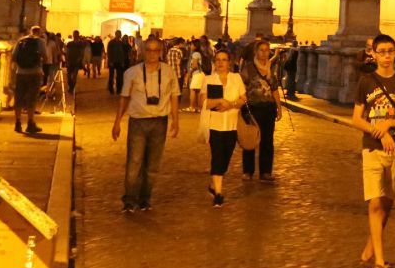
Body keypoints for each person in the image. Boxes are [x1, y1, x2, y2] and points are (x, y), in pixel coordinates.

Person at [351, 32, 395, 268]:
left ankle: (372, 244)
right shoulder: (366, 82)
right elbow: (357, 119)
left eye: (391, 51)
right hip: (371, 148)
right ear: (373, 54)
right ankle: (379, 262)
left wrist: (389, 123)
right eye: (382, 52)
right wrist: (379, 133)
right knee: (375, 203)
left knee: (388, 203)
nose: (387, 56)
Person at [112, 37, 182, 212]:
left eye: (155, 50)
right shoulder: (132, 72)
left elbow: (174, 96)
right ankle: (130, 199)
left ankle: (145, 198)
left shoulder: (168, 72)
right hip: (138, 121)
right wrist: (117, 122)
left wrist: (176, 120)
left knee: (153, 165)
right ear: (143, 51)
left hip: (160, 122)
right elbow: (124, 97)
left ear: (161, 52)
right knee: (134, 162)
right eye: (148, 50)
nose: (152, 54)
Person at [192, 48, 247, 206]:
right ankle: (218, 193)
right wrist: (219, 102)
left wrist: (231, 105)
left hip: (232, 125)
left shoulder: (236, 78)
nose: (221, 63)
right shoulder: (208, 80)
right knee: (217, 155)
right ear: (214, 62)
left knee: (226, 157)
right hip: (214, 125)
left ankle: (213, 184)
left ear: (229, 62)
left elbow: (244, 98)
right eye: (218, 60)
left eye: (224, 60)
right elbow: (202, 102)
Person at [240, 37, 284, 181]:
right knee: (250, 138)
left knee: (267, 140)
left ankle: (265, 172)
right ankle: (248, 171)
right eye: (262, 50)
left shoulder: (271, 69)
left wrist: (279, 107)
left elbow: (274, 89)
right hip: (253, 107)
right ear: (256, 52)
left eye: (267, 51)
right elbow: (242, 87)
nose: (265, 53)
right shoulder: (249, 68)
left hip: (268, 108)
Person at [11, 26, 46, 134]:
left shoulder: (21, 41)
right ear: (39, 32)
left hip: (20, 73)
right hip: (35, 73)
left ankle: (17, 122)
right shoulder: (40, 41)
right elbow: (45, 57)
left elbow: (13, 56)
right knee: (32, 98)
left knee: (19, 98)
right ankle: (30, 123)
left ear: (31, 31)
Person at [64, 30, 87, 97]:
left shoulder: (81, 43)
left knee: (74, 76)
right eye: (74, 34)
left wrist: (81, 59)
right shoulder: (70, 43)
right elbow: (67, 52)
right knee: (69, 76)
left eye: (76, 34)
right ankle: (70, 86)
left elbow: (82, 52)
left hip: (76, 61)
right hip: (70, 61)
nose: (75, 36)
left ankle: (71, 88)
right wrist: (67, 60)